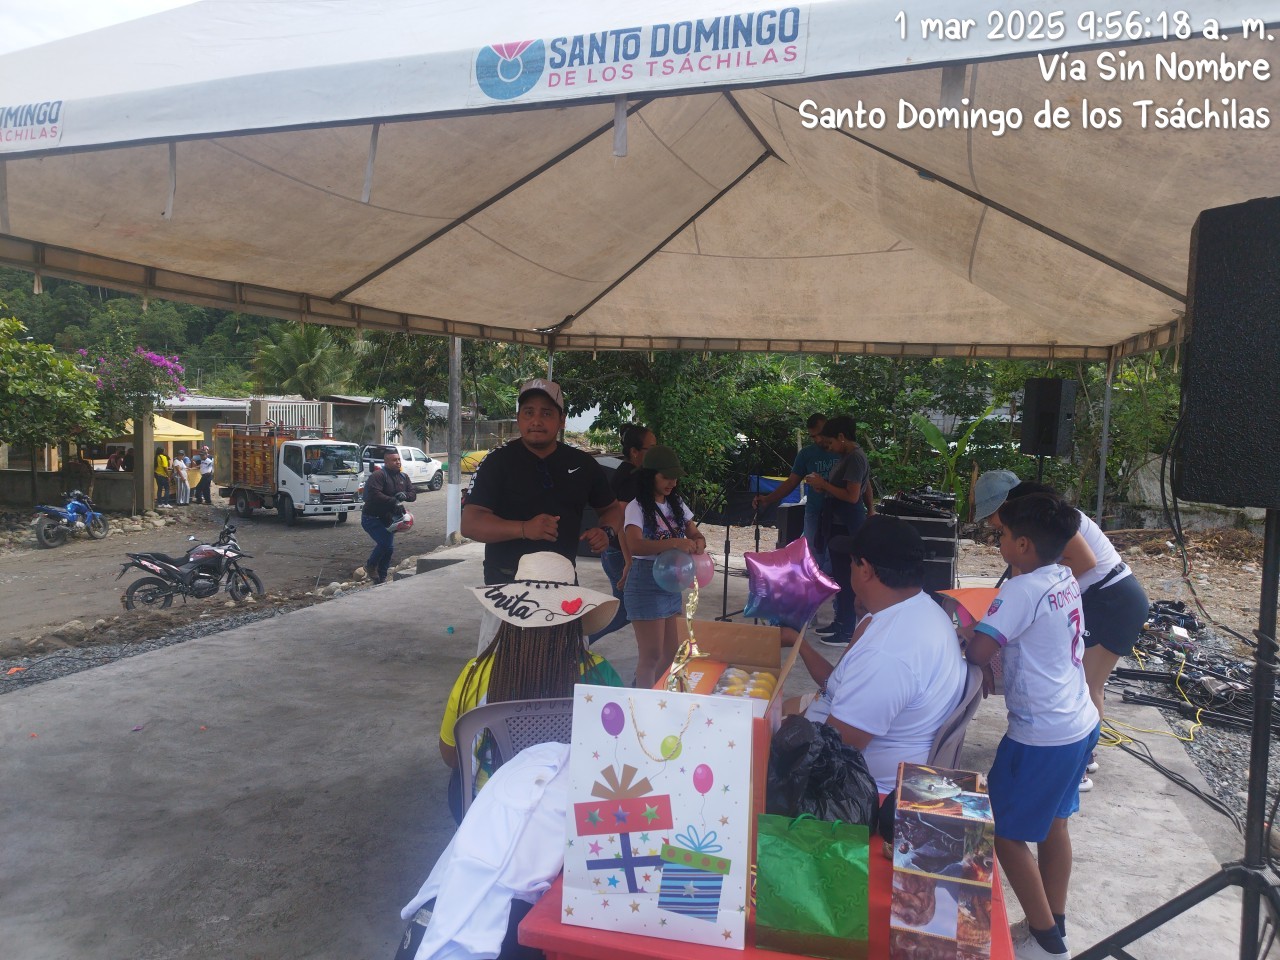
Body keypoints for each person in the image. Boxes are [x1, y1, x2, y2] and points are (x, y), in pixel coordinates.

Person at [960, 492, 1099, 960]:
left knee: (1002, 830)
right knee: (1056, 824)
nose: (996, 539)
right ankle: (1052, 921)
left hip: (1043, 736)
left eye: (1001, 533)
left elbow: (980, 651)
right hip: (1079, 721)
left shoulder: (1020, 589)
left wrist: (968, 632)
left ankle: (1047, 943)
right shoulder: (1063, 576)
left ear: (1022, 545)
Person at [974, 471, 1149, 792]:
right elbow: (1023, 577)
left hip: (1112, 598)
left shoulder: (1050, 519)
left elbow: (1084, 562)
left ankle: (1078, 765)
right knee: (1080, 682)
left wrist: (1030, 599)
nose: (991, 526)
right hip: (1098, 595)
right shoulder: (1033, 527)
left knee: (1088, 685)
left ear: (1006, 505)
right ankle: (1080, 757)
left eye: (992, 517)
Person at [785, 515, 966, 794]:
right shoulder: (923, 610)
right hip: (882, 759)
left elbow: (831, 751)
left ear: (866, 570)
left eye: (851, 561)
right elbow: (842, 685)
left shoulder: (887, 652)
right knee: (773, 711)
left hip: (860, 789)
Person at [440, 551, 623, 822]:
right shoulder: (600, 674)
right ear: (574, 621)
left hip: (493, 818)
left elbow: (452, 755)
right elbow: (618, 752)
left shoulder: (476, 673)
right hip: (573, 819)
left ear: (509, 617)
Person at [461, 378, 624, 648]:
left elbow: (611, 509)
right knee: (504, 671)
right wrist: (524, 528)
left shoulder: (583, 464)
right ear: (518, 418)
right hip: (505, 592)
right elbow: (470, 523)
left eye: (546, 413)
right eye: (529, 412)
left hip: (563, 589)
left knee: (564, 669)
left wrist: (606, 531)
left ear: (562, 420)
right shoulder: (496, 462)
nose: (536, 421)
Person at [623, 445, 708, 689]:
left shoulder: (676, 503)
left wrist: (699, 542)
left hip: (671, 582)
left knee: (671, 655)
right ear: (650, 476)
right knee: (651, 656)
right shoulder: (636, 507)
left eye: (675, 477)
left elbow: (694, 532)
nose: (673, 482)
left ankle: (654, 695)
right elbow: (635, 545)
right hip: (645, 583)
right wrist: (674, 543)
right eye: (666, 477)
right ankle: (642, 702)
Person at [588, 422, 656, 644]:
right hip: (619, 553)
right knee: (625, 610)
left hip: (618, 552)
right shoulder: (629, 478)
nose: (655, 453)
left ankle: (579, 642)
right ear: (635, 452)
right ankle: (579, 642)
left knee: (627, 609)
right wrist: (629, 562)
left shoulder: (635, 474)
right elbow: (623, 522)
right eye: (651, 448)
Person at [806, 415, 870, 646]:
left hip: (847, 524)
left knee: (847, 577)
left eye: (831, 442)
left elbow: (853, 496)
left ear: (842, 437)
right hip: (836, 522)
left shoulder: (855, 458)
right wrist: (824, 486)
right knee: (840, 576)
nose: (829, 447)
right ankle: (840, 621)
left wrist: (824, 485)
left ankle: (847, 630)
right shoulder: (846, 457)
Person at [752, 413, 841, 568]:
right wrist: (767, 499)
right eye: (813, 437)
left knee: (834, 556)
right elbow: (792, 482)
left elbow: (861, 481)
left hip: (840, 512)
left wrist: (870, 509)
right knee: (812, 554)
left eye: (820, 434)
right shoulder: (806, 454)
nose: (818, 440)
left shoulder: (842, 450)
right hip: (814, 511)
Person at [361, 450, 417, 585]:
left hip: (390, 519)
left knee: (388, 548)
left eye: (398, 459)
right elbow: (374, 494)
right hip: (372, 517)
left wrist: (405, 495)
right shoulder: (378, 476)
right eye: (394, 460)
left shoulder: (403, 476)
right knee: (385, 544)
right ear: (386, 462)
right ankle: (371, 565)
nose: (397, 462)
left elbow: (413, 494)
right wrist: (394, 501)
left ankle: (381, 578)